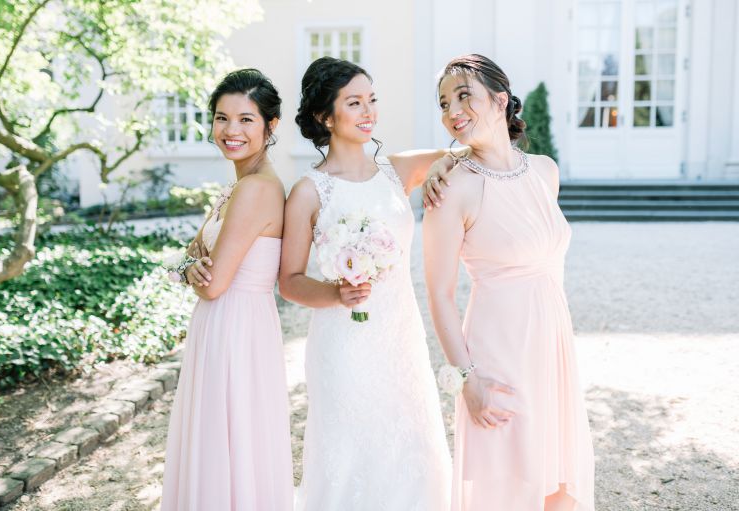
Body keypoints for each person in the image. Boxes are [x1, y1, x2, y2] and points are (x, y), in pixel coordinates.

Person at [279, 56, 454, 510]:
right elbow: (290, 282)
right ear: (324, 116)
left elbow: (469, 154)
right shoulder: (308, 192)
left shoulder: (398, 170)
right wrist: (336, 293)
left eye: (371, 100)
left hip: (400, 338)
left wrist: (437, 170)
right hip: (343, 344)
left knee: (412, 442)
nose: (368, 112)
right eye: (354, 103)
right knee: (349, 447)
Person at [423, 54, 595, 511]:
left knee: (557, 484)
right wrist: (467, 379)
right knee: (507, 485)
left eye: (464, 96)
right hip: (497, 355)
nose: (452, 110)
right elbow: (439, 295)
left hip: (552, 348)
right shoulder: (452, 189)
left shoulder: (544, 171)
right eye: (443, 103)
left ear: (500, 100)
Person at [160, 68, 293, 511]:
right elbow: (191, 254)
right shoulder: (237, 187)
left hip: (235, 328)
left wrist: (191, 270)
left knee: (227, 438)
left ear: (271, 126)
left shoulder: (256, 190)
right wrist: (189, 265)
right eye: (221, 118)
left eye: (246, 119)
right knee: (227, 438)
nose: (230, 130)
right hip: (227, 325)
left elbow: (212, 284)